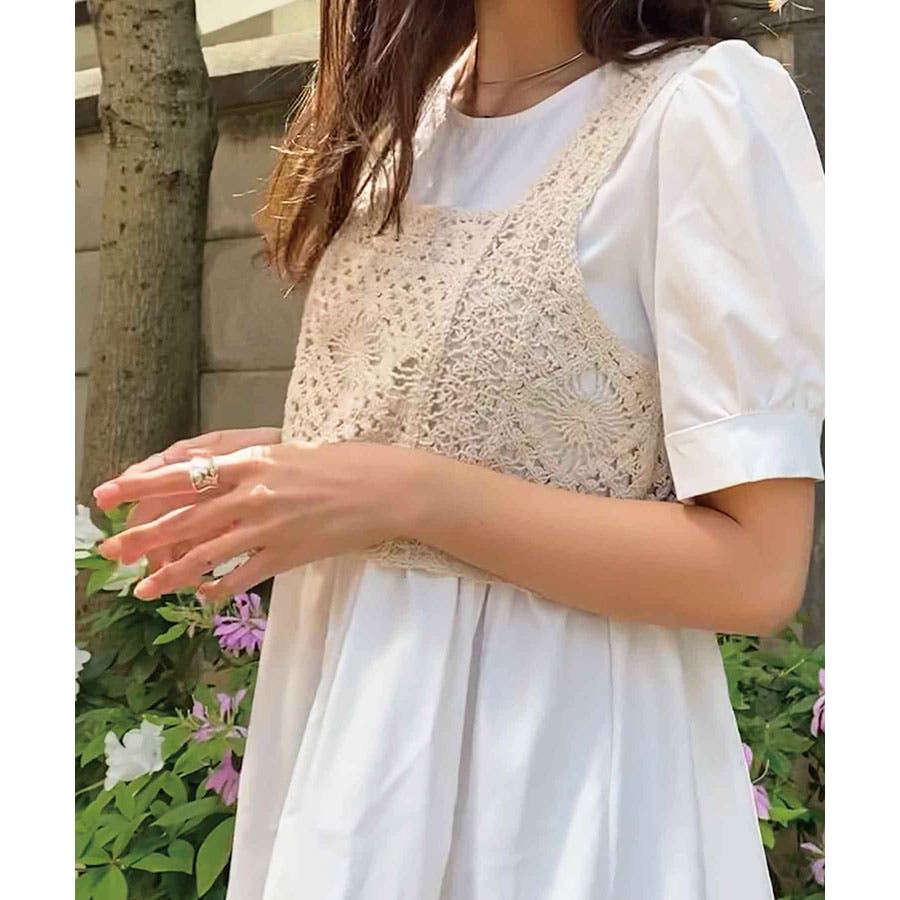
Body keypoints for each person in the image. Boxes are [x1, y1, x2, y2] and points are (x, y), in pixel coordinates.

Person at [92, 1, 825, 897]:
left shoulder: (699, 110)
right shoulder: (402, 122)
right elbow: (490, 430)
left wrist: (404, 493)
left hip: (557, 794)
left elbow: (757, 571)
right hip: (349, 764)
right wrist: (305, 470)